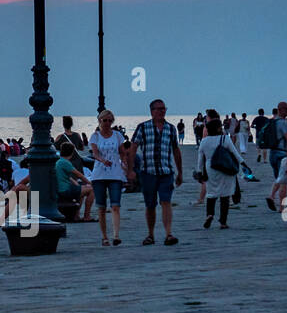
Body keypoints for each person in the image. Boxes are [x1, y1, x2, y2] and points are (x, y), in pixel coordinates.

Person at [129, 98, 183, 246]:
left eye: (163, 109)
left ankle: (169, 234)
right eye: (158, 109)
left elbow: (176, 150)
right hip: (148, 172)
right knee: (150, 205)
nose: (162, 111)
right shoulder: (143, 128)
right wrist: (131, 169)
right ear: (152, 111)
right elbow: (133, 147)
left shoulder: (171, 129)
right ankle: (151, 234)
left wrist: (180, 172)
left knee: (166, 201)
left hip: (166, 171)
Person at [88, 109, 128, 246]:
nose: (107, 123)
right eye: (104, 120)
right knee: (101, 207)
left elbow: (123, 152)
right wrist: (102, 160)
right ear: (100, 121)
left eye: (110, 120)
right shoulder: (95, 136)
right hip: (99, 175)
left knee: (115, 205)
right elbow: (94, 153)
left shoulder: (117, 136)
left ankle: (116, 235)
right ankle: (104, 236)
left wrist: (125, 164)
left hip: (115, 174)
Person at [196, 109, 238, 230]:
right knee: (225, 195)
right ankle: (223, 222)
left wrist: (199, 172)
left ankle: (210, 214)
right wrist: (243, 165)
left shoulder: (204, 140)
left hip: (210, 167)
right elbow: (234, 153)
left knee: (211, 193)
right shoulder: (225, 138)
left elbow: (200, 158)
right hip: (224, 167)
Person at [55, 141, 94, 219]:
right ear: (72, 153)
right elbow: (79, 175)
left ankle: (76, 215)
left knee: (81, 191)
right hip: (65, 190)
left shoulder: (59, 162)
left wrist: (77, 185)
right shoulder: (65, 162)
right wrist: (89, 183)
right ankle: (87, 216)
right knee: (92, 190)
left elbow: (69, 177)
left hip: (60, 189)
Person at [265, 103, 287, 178]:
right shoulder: (283, 122)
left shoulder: (273, 121)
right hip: (281, 154)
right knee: (282, 182)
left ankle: (276, 190)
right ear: (281, 110)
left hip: (272, 153)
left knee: (278, 179)